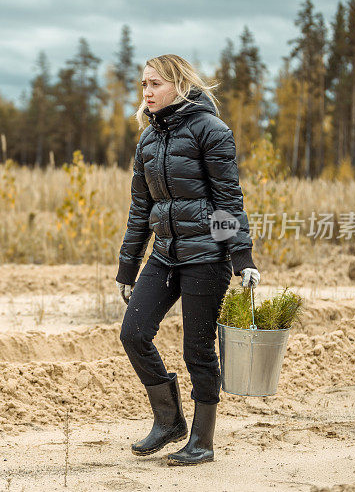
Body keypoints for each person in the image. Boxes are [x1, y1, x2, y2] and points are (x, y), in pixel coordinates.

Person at [115, 54, 260, 466]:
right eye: (144, 84)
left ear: (179, 85)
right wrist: (128, 268)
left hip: (206, 257)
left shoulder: (211, 130)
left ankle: (202, 441)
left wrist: (240, 257)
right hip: (164, 255)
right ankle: (169, 420)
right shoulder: (148, 140)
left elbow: (226, 200)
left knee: (198, 350)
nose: (147, 92)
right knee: (134, 333)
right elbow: (141, 210)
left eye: (155, 84)